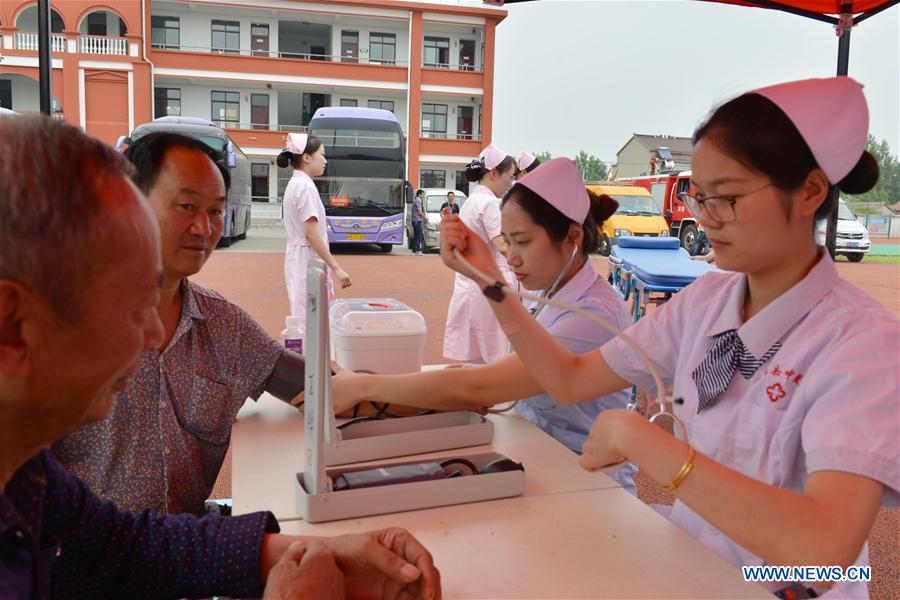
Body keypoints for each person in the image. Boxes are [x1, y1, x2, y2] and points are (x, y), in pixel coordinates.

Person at [439, 77, 898, 598]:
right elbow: (569, 379)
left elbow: (825, 550)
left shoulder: (862, 345)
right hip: (692, 557)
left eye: (726, 198)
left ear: (810, 192)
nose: (705, 218)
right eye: (700, 198)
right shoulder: (708, 303)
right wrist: (493, 285)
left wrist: (651, 447)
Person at [0, 115, 440, 599]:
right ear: (12, 325)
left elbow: (120, 545)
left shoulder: (29, 483)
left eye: (215, 211)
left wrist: (306, 554)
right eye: (129, 300)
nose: (152, 331)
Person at [330, 158, 638, 494]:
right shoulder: (547, 291)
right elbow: (497, 380)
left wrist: (362, 386)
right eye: (506, 242)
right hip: (542, 456)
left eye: (523, 242)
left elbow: (480, 388)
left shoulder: (594, 315)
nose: (512, 257)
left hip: (587, 484)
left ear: (572, 237)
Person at [51, 132, 314, 516]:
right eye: (187, 206)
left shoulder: (224, 326)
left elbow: (311, 386)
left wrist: (425, 396)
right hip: (78, 561)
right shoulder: (57, 327)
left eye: (216, 211)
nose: (205, 229)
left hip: (185, 546)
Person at [443, 143, 517, 365]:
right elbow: (503, 245)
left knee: (471, 355)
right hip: (489, 288)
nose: (510, 183)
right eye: (509, 176)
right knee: (493, 354)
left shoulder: (470, 202)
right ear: (494, 173)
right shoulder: (490, 203)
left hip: (469, 286)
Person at [281, 132, 351, 330]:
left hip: (298, 257)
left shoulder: (296, 184)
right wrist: (336, 268)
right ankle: (310, 360)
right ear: (306, 157)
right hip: (307, 260)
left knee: (305, 315)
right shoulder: (305, 187)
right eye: (322, 154)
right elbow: (311, 233)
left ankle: (309, 359)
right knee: (310, 320)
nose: (325, 160)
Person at [411, 188, 427, 254]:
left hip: (414, 220)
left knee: (416, 235)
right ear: (419, 194)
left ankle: (414, 250)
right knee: (419, 235)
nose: (423, 196)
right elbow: (420, 211)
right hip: (417, 220)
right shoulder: (418, 200)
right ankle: (418, 250)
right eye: (423, 195)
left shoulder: (416, 200)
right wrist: (425, 218)